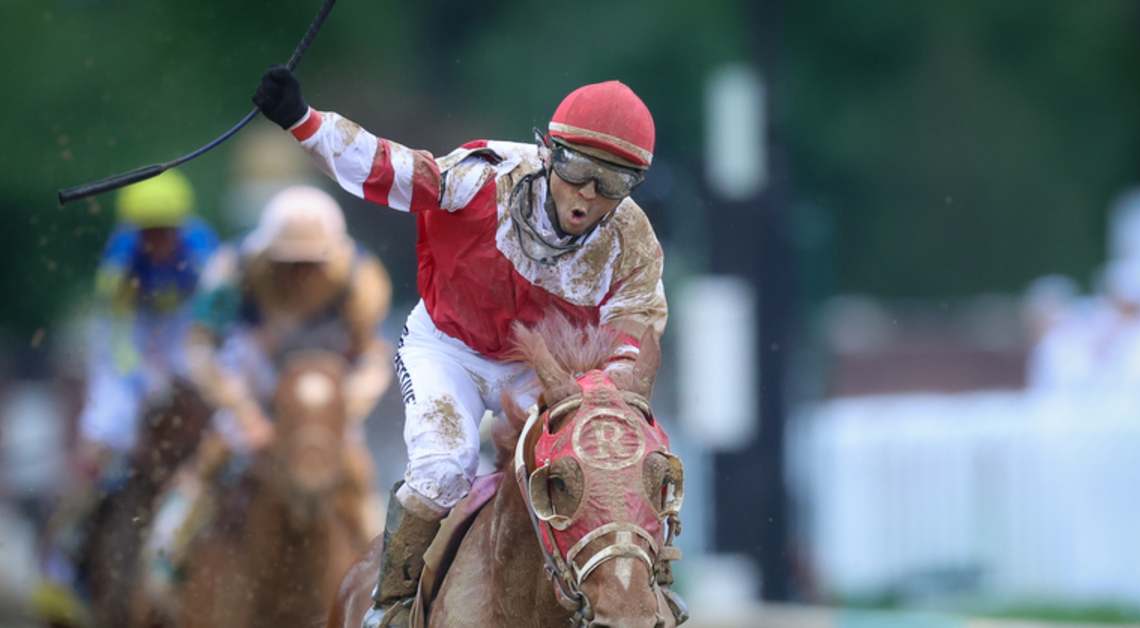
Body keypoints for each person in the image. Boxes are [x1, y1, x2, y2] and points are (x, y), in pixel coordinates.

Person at [251, 65, 677, 627]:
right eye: (575, 171)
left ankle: (650, 586)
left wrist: (600, 406)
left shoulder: (633, 243)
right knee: (442, 467)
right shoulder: (484, 179)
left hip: (544, 369)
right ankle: (392, 606)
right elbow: (390, 169)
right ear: (549, 152)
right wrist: (303, 121)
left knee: (614, 454)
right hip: (447, 349)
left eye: (611, 185)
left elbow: (634, 343)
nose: (586, 197)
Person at [142, 185, 393, 593]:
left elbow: (374, 357)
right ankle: (169, 549)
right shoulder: (231, 270)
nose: (299, 275)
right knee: (217, 453)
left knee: (356, 469)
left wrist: (344, 408)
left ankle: (384, 567)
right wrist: (242, 411)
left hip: (324, 378)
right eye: (288, 263)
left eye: (311, 264)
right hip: (254, 370)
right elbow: (200, 347)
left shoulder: (361, 277)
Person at [40, 171, 218, 611]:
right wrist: (136, 377)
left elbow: (213, 316)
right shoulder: (122, 254)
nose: (158, 239)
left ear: (181, 225)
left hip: (183, 333)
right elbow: (116, 329)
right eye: (149, 232)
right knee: (107, 430)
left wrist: (199, 368)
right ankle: (61, 559)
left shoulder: (203, 247)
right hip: (131, 340)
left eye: (166, 230)